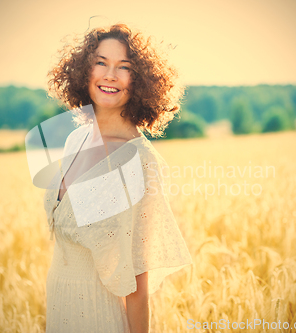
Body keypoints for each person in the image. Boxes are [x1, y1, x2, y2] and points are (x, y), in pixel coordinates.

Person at [43, 23, 192, 333]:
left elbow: (138, 282)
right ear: (84, 71)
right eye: (101, 62)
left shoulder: (139, 162)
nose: (110, 75)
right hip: (61, 312)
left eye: (123, 68)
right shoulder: (75, 140)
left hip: (101, 318)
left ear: (139, 82)